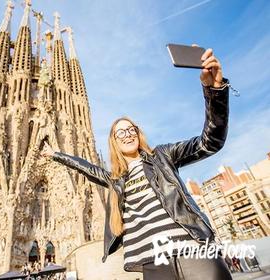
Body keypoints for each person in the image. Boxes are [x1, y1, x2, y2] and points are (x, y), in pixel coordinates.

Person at [41, 47, 232, 279]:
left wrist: (214, 91)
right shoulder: (117, 180)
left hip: (194, 252)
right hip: (153, 263)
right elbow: (88, 168)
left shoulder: (163, 156)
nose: (127, 135)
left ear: (138, 133)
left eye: (130, 129)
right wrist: (55, 154)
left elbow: (210, 142)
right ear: (114, 142)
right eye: (120, 133)